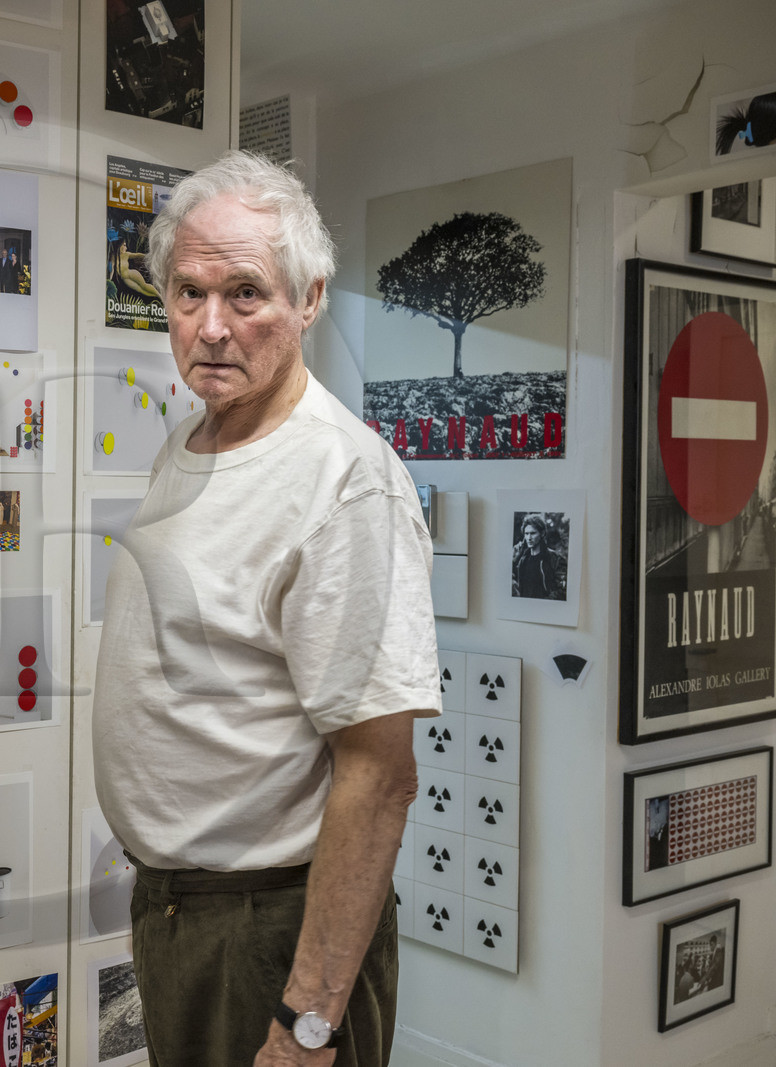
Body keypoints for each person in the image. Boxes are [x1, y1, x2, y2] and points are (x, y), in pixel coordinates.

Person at [93, 149, 440, 1067]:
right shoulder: (192, 440)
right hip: (180, 912)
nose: (211, 327)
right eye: (187, 292)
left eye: (245, 293)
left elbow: (380, 776)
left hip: (275, 934)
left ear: (309, 297)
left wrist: (309, 1019)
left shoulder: (344, 481)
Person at [511, 514, 565, 600]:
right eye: (526, 534)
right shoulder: (522, 560)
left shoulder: (555, 558)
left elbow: (562, 590)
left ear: (542, 533)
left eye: (533, 533)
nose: (529, 538)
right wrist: (513, 559)